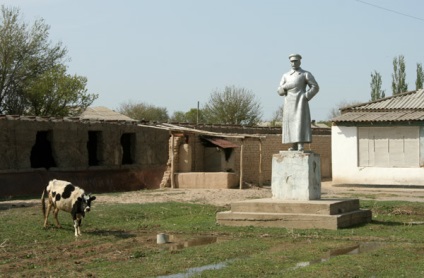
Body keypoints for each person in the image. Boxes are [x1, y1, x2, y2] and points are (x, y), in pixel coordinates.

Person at [277, 54, 319, 151]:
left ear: (300, 61)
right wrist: (285, 87)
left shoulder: (305, 74)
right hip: (289, 103)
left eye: (295, 61)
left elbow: (315, 87)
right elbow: (279, 91)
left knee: (299, 122)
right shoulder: (286, 75)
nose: (293, 63)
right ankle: (293, 144)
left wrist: (306, 96)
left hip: (300, 101)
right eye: (292, 61)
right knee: (291, 122)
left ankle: (301, 144)